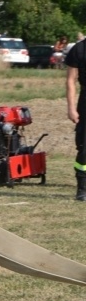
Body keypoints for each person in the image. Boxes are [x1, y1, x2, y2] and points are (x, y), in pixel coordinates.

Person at [65, 36, 86, 201]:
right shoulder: (79, 49)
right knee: (84, 148)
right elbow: (71, 80)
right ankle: (82, 189)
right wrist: (71, 108)